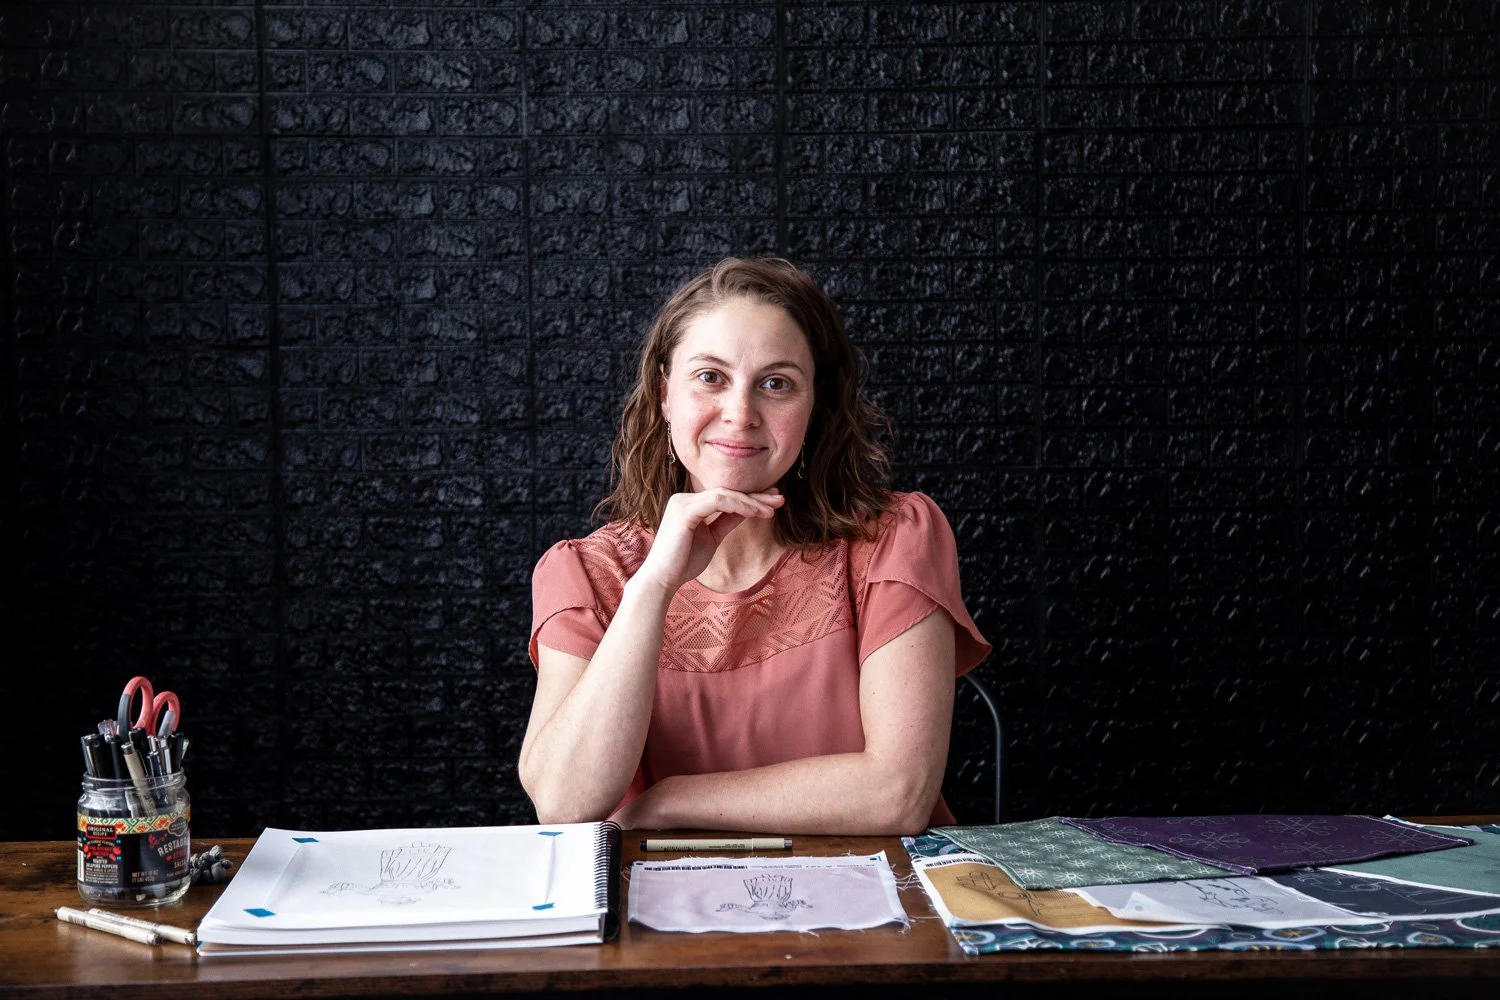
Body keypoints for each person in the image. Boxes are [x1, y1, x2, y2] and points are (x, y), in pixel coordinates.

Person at [519, 258, 990, 834]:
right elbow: (565, 804)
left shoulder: (892, 540)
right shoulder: (586, 574)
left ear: (815, 405)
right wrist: (652, 586)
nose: (740, 415)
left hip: (880, 908)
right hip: (656, 913)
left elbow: (898, 794)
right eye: (710, 377)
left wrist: (666, 802)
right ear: (665, 394)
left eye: (776, 383)